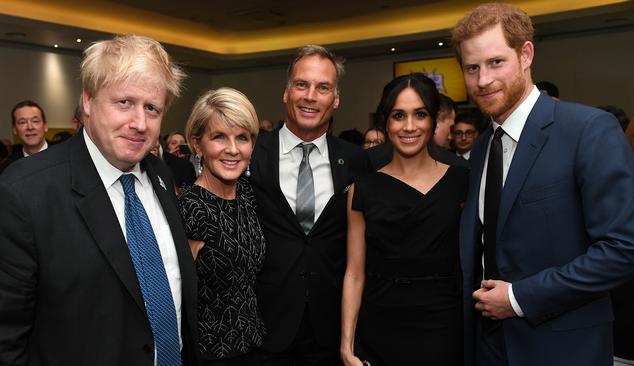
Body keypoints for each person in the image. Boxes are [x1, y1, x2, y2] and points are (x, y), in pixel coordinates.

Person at [0, 34, 199, 365]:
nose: (140, 123)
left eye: (152, 108)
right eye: (124, 102)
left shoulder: (160, 174)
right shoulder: (21, 197)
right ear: (87, 100)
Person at [452, 3, 634, 365]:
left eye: (495, 62)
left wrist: (519, 298)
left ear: (526, 55)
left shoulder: (587, 130)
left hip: (561, 347)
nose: (483, 80)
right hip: (487, 344)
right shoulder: (484, 145)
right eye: (472, 68)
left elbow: (623, 249)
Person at [249, 44, 371, 366]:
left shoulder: (357, 160)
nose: (310, 96)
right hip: (264, 327)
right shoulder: (253, 154)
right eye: (302, 84)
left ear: (336, 98)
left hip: (329, 329)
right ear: (286, 92)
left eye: (323, 87)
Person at [341, 73, 466, 366]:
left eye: (419, 114)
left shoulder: (461, 181)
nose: (409, 126)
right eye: (399, 115)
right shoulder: (363, 189)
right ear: (386, 122)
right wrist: (346, 346)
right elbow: (354, 273)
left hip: (443, 326)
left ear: (434, 120)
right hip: (379, 326)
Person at [178, 87, 266, 365]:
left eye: (242, 137)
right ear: (197, 144)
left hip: (255, 346)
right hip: (210, 356)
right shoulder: (189, 209)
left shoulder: (248, 195)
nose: (233, 149)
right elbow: (178, 300)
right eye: (219, 137)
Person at [0, 100, 49, 172]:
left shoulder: (64, 156)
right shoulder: (8, 167)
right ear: (14, 129)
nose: (30, 127)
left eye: (35, 121)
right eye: (22, 122)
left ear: (45, 126)